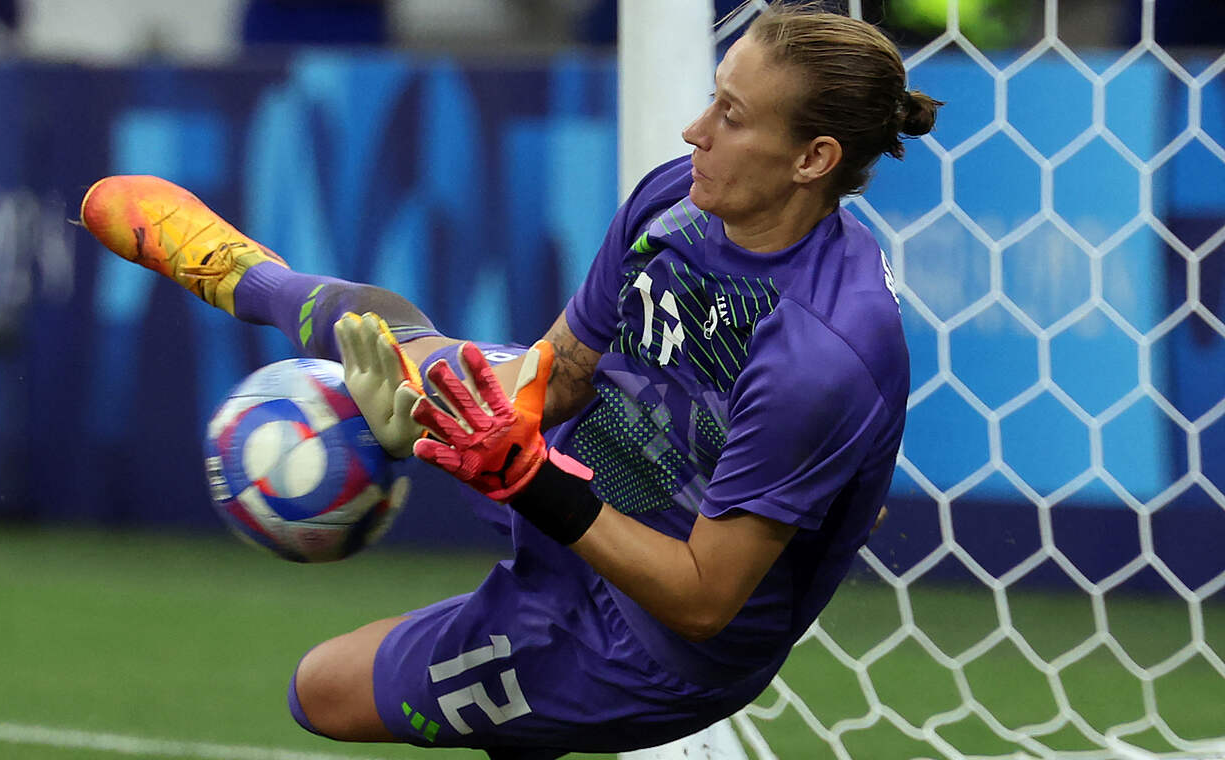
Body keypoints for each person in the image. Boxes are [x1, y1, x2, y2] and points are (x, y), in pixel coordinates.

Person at [80, 4, 940, 756]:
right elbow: (560, 372)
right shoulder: (676, 200)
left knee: (321, 691)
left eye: (732, 115)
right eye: (714, 94)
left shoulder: (822, 352)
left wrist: (527, 477)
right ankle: (254, 280)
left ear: (812, 158)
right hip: (577, 486)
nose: (694, 130)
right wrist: (426, 419)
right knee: (403, 341)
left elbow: (703, 600)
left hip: (650, 649)